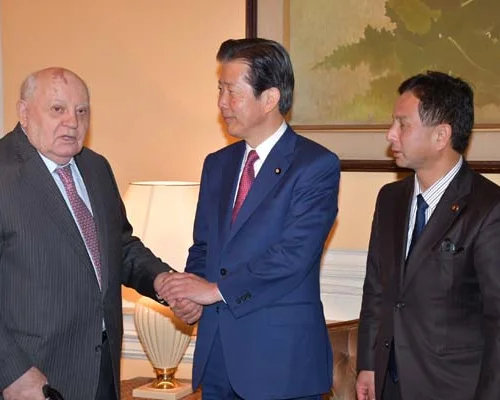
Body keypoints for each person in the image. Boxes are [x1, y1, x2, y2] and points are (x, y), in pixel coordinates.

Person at [156, 38, 340, 399]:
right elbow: (204, 247)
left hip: (279, 364)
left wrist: (214, 291)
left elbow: (293, 255)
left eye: (232, 91)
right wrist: (190, 296)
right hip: (218, 358)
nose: (222, 103)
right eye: (219, 90)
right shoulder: (217, 165)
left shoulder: (315, 166)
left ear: (269, 98)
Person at [0, 67, 174, 400]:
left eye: (82, 111)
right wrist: (12, 373)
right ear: (24, 113)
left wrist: (162, 280)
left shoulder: (96, 167)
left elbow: (118, 246)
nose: (72, 122)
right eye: (58, 109)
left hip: (103, 371)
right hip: (32, 378)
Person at [356, 71, 500, 400]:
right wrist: (368, 363)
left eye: (403, 124)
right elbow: (376, 289)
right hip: (390, 384)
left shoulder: (488, 208)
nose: (391, 134)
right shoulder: (390, 198)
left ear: (441, 135)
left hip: (454, 388)